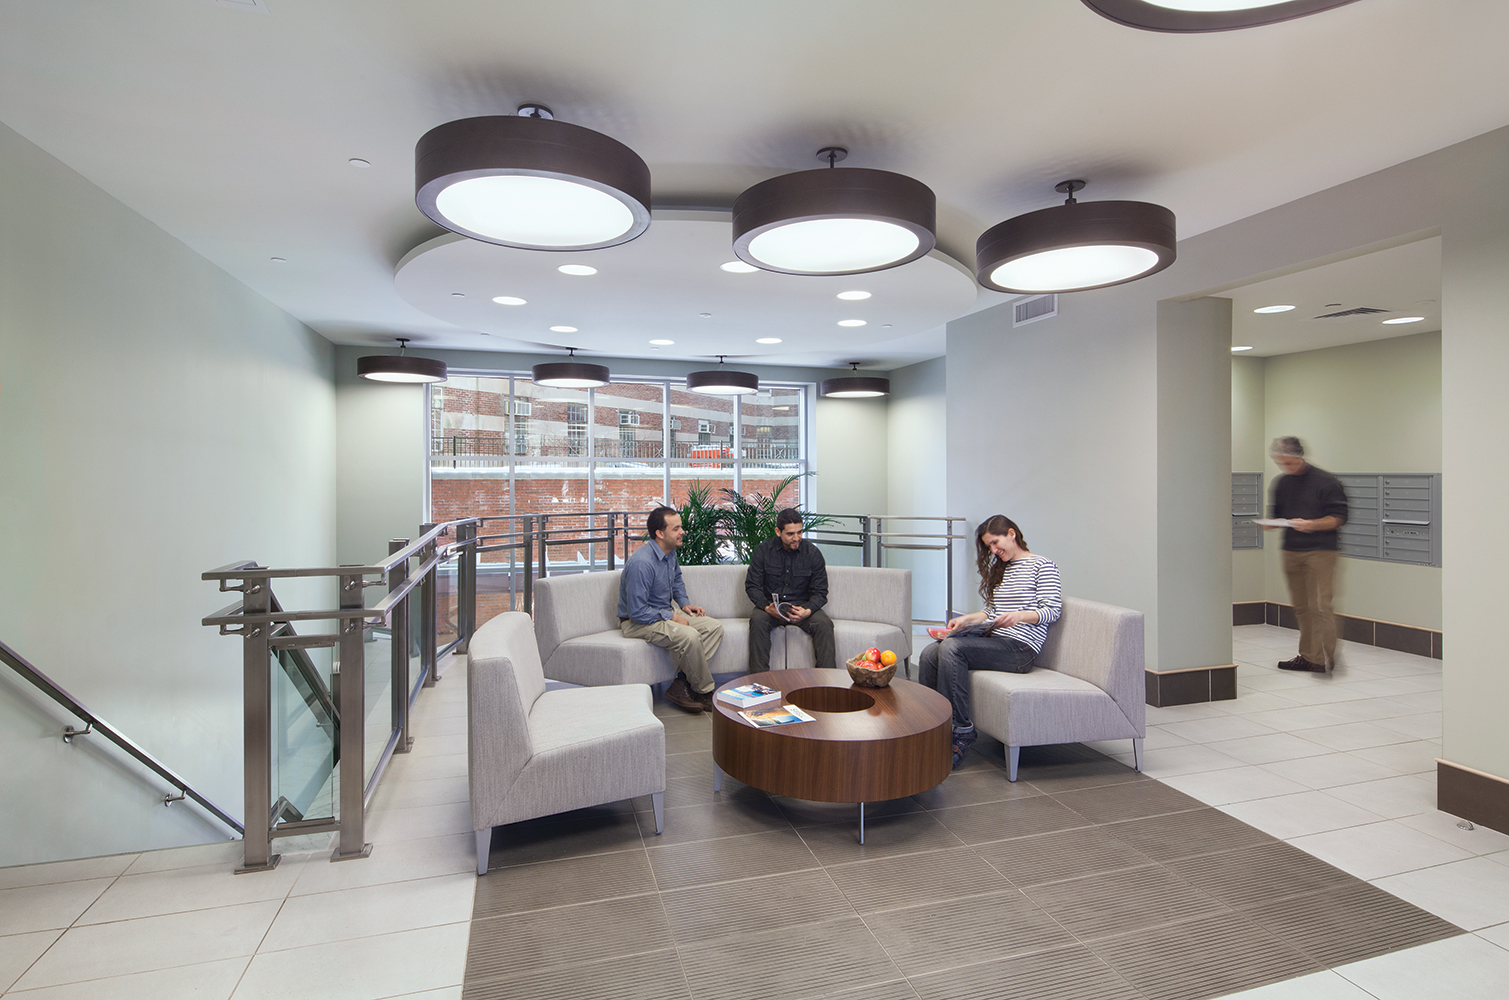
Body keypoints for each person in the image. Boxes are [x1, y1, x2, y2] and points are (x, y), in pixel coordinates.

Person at [920, 514, 1062, 768]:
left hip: (1021, 649)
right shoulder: (1002, 569)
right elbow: (991, 612)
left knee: (953, 649)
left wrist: (1019, 616)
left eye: (996, 543)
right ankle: (931, 727)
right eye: (989, 547)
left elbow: (1052, 611)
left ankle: (961, 730)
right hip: (996, 639)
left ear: (1011, 534)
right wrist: (965, 620)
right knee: (930, 653)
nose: (994, 550)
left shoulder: (1043, 565)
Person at [618, 506, 725, 712]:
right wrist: (673, 617)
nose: (682, 532)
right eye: (676, 528)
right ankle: (704, 692)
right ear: (660, 533)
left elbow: (676, 579)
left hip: (661, 614)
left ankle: (681, 683)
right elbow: (637, 612)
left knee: (713, 627)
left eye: (681, 527)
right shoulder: (642, 563)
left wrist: (684, 604)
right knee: (690, 636)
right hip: (637, 622)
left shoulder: (669, 553)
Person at [1263, 436, 1348, 673]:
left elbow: (1339, 518)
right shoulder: (1281, 483)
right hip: (1292, 551)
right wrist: (1270, 523)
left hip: (1321, 551)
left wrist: (1312, 524)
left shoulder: (1326, 481)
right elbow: (1277, 514)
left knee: (1320, 606)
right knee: (1301, 607)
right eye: (1281, 464)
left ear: (1300, 456)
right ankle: (1310, 657)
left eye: (1289, 463)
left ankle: (1327, 658)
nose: (1286, 468)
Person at [744, 508, 836, 671]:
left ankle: (827, 684)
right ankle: (758, 684)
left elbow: (821, 592)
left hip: (802, 606)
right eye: (790, 534)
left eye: (799, 532)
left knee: (824, 624)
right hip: (771, 607)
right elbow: (752, 585)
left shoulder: (812, 553)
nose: (796, 538)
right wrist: (766, 607)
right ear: (778, 531)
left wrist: (807, 610)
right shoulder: (763, 551)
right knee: (758, 621)